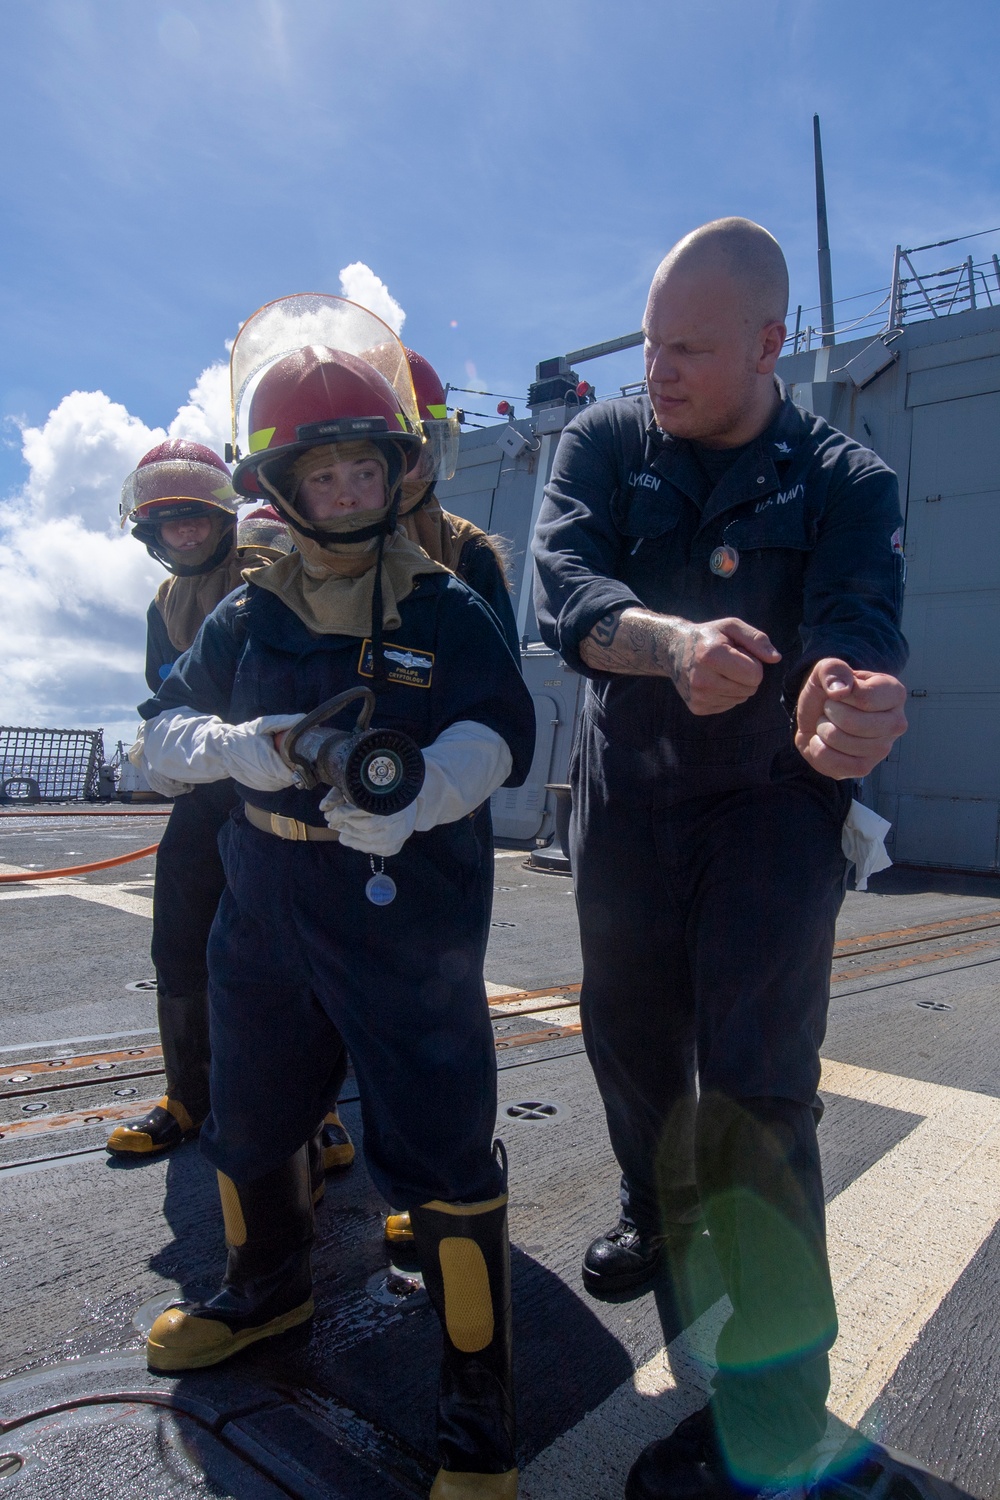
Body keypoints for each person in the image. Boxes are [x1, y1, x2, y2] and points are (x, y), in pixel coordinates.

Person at [132, 301, 535, 1500]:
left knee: (442, 1146)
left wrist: (426, 794)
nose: (350, 488)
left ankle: (478, 1396)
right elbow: (159, 734)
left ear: (399, 468)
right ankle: (262, 1293)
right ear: (284, 484)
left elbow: (500, 731)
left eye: (368, 464)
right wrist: (235, 746)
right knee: (251, 1117)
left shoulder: (444, 605)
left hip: (403, 923)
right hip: (263, 913)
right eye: (325, 469)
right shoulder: (249, 612)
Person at [531, 219, 908, 1498]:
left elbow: (857, 630)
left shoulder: (849, 479)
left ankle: (779, 1412)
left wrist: (849, 702)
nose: (659, 369)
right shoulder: (604, 440)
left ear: (771, 342)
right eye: (649, 340)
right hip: (629, 798)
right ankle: (653, 1204)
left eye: (689, 346)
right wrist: (668, 643)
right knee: (627, 1035)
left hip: (771, 809)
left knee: (754, 1092)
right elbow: (563, 583)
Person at [108, 447, 335, 1157]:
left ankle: (320, 1113)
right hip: (207, 794)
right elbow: (163, 694)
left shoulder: (262, 570)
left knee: (296, 955)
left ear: (221, 519)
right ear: (151, 535)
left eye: (194, 522)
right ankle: (188, 1095)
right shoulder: (163, 604)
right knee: (179, 938)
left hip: (276, 791)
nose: (183, 536)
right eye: (168, 526)